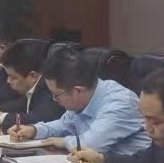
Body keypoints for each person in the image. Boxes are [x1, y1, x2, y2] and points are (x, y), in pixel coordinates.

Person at [8, 47, 150, 156]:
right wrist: (33, 130)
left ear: (77, 91)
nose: (54, 100)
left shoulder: (119, 103)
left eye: (56, 95)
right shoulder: (84, 99)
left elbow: (91, 145)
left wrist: (63, 141)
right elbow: (64, 125)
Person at [0, 39, 63, 129]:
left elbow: (40, 118)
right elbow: (22, 104)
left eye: (13, 77)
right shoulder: (35, 88)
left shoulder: (49, 88)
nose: (8, 81)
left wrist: (3, 118)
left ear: (33, 76)